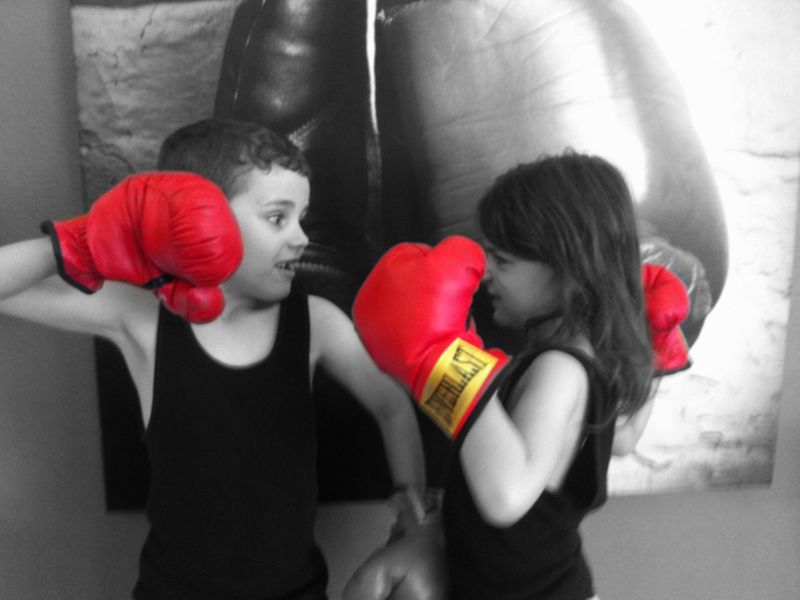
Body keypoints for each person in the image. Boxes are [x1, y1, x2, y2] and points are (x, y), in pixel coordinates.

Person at [0, 117, 425, 600]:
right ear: (203, 217)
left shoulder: (315, 321)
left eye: (301, 217)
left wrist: (413, 508)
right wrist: (80, 241)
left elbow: (391, 404)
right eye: (277, 217)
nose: (301, 237)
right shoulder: (143, 318)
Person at [348, 150, 690, 600]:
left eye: (503, 261)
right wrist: (659, 352)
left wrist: (442, 360)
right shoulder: (572, 362)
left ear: (567, 269)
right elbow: (623, 439)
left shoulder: (560, 368)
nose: (487, 274)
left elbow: (506, 496)